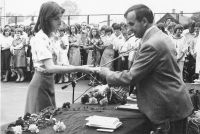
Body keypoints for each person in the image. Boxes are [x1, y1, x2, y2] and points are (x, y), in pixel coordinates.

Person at [96, 4, 193, 134]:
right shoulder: (159, 36)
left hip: (167, 109)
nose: (129, 29)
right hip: (172, 105)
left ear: (144, 21)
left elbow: (132, 76)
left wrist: (107, 73)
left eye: (131, 24)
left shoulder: (152, 44)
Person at [25, 1, 96, 114]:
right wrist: (80, 68)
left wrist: (80, 67)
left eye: (60, 18)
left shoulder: (51, 37)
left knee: (49, 119)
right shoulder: (40, 38)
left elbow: (58, 63)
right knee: (42, 123)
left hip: (48, 82)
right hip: (40, 84)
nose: (60, 22)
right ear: (47, 19)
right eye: (56, 19)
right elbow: (50, 67)